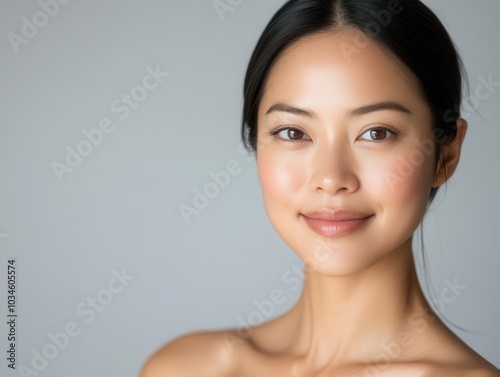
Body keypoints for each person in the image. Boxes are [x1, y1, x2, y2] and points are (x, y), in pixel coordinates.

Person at [141, 0, 500, 375]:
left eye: (376, 133)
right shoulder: (184, 368)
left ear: (446, 154)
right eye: (293, 132)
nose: (331, 178)